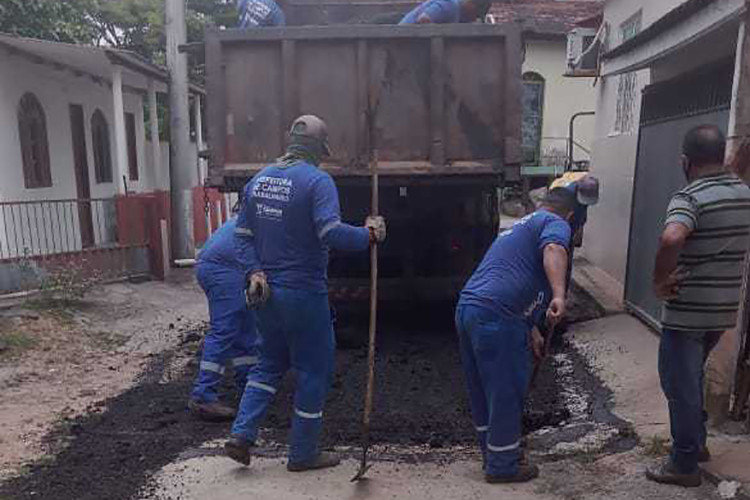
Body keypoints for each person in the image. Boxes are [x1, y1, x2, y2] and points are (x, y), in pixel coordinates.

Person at [224, 115, 387, 472]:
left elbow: (242, 236)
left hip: (263, 293)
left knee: (268, 364)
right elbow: (330, 233)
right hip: (303, 293)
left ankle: (241, 435)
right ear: (320, 149)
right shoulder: (317, 181)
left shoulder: (259, 179)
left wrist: (254, 271)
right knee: (314, 369)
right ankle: (302, 453)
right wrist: (369, 235)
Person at [646, 125, 750, 488]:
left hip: (687, 311)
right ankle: (698, 443)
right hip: (721, 311)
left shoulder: (689, 197)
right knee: (691, 378)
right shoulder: (742, 193)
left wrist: (660, 280)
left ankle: (683, 463)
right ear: (720, 156)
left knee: (679, 384)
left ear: (685, 161)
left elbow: (672, 236)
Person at [455, 187, 575, 484]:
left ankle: (494, 454)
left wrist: (531, 327)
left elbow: (511, 275)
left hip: (470, 309)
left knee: (484, 391)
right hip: (498, 315)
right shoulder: (556, 223)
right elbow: (553, 250)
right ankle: (503, 466)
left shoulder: (518, 228)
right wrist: (559, 294)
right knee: (506, 390)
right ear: (570, 214)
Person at [188, 217, 259, 422]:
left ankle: (248, 386)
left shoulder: (264, 211)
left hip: (225, 265)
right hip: (222, 268)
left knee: (246, 327)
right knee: (225, 329)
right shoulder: (275, 221)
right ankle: (203, 396)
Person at [549, 171, 600, 288]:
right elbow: (556, 218)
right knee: (558, 251)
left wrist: (578, 228)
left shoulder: (590, 185)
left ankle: (563, 290)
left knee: (568, 254)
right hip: (558, 212)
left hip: (572, 210)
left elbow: (582, 211)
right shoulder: (563, 193)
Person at [399, 0, 489, 25]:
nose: (474, 19)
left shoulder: (459, 14)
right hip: (404, 42)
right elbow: (423, 19)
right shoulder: (449, 4)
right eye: (476, 15)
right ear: (471, 6)